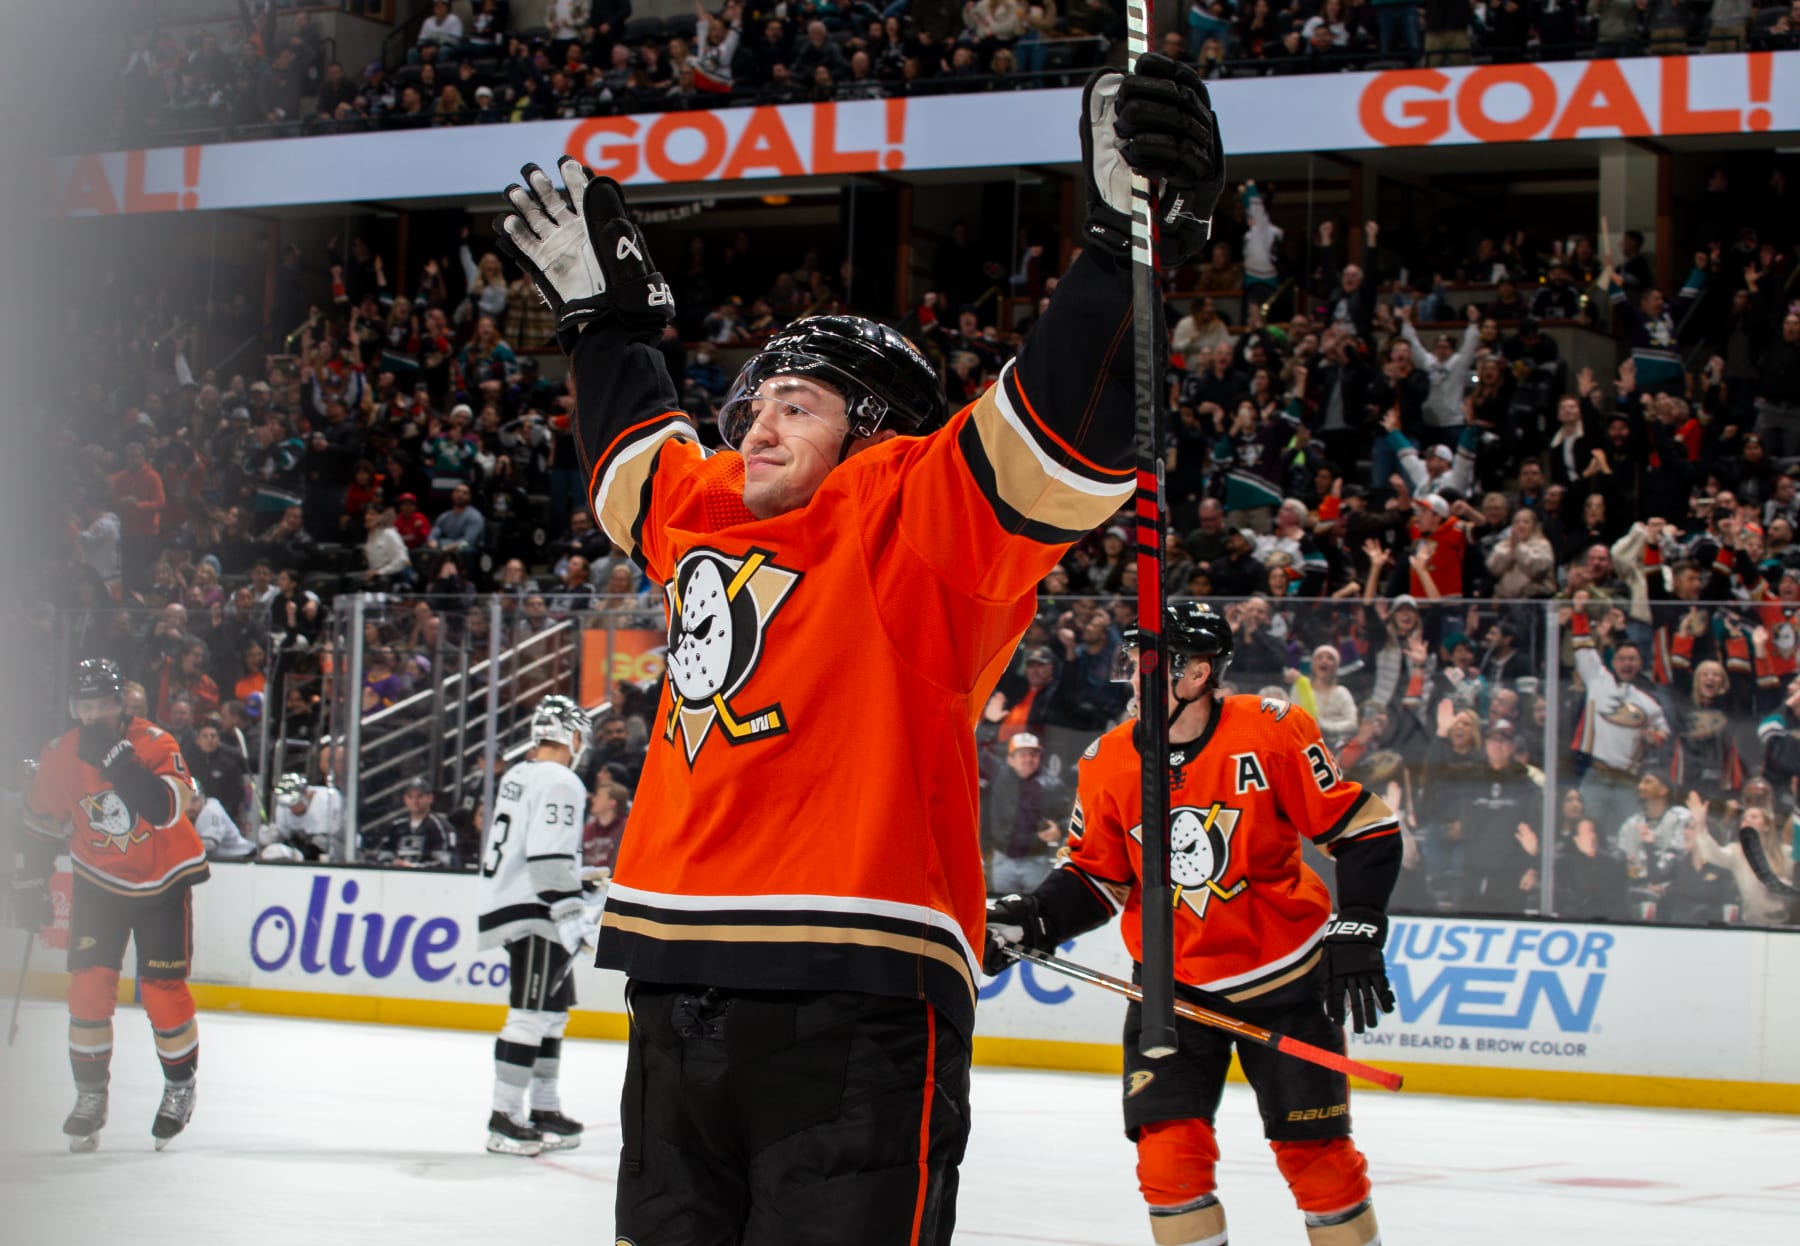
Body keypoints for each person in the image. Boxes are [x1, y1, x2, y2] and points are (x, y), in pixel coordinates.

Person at [492, 52, 1222, 1242]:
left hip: (855, 990)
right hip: (677, 981)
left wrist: (1119, 254)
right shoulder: (710, 515)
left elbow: (1053, 442)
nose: (759, 420)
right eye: (755, 401)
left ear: (874, 427)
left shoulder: (910, 522)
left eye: (800, 402)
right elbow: (637, 460)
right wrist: (605, 322)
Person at [984, 603, 1398, 1246]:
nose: (1131, 677)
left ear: (1198, 673)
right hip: (1169, 990)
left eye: (1147, 663)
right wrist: (1036, 916)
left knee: (1318, 1161)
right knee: (1168, 1162)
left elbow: (1366, 829)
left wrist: (1361, 924)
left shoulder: (1272, 730)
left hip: (1286, 981)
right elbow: (1098, 875)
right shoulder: (1109, 759)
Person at [17, 659, 207, 1152]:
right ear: (73, 707)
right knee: (87, 991)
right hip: (99, 881)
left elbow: (166, 811)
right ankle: (90, 1096)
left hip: (163, 880)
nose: (94, 714)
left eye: (103, 704)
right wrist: (33, 880)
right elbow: (41, 822)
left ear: (121, 703)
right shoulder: (60, 754)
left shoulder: (156, 743)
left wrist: (121, 761)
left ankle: (179, 1086)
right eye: (85, 705)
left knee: (162, 991)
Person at [475, 696, 596, 1156]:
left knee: (551, 1013)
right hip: (537, 908)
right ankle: (504, 1116)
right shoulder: (561, 779)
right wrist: (570, 911)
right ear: (572, 736)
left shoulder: (519, 773)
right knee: (529, 1014)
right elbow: (547, 857)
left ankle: (543, 1107)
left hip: (516, 900)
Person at [361, 777, 454, 868]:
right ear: (405, 799)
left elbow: (444, 861)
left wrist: (414, 867)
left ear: (430, 798)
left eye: (419, 796)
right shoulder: (397, 825)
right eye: (410, 797)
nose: (415, 801)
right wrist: (392, 863)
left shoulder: (439, 826)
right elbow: (384, 853)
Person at [264, 771, 343, 861]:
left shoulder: (329, 799)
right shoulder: (283, 805)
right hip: (298, 849)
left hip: (332, 849)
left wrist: (302, 853)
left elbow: (328, 841)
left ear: (306, 794)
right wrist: (272, 836)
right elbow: (284, 836)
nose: (291, 809)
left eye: (296, 804)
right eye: (289, 806)